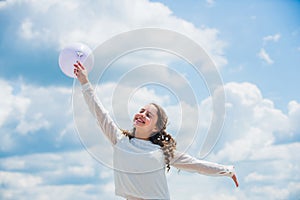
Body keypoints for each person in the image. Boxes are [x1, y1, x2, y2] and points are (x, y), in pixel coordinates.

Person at [74, 61, 239, 200]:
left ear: (156, 128)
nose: (142, 114)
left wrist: (227, 171)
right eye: (141, 110)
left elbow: (196, 165)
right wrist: (84, 82)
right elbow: (99, 112)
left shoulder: (162, 152)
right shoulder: (118, 140)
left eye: (148, 115)